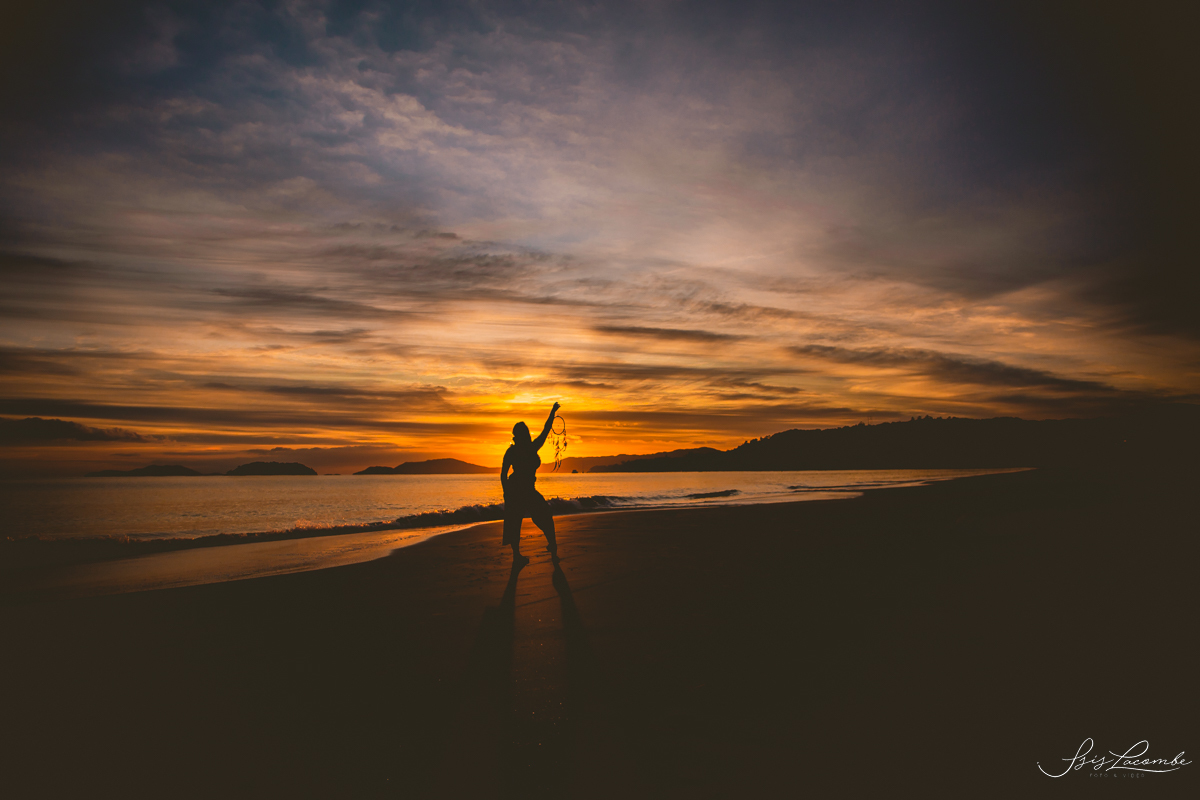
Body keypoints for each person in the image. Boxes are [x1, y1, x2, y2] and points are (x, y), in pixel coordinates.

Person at [501, 401, 560, 566]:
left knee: (540, 515)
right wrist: (506, 492)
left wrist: (552, 412)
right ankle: (519, 555)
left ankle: (551, 546)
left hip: (523, 489)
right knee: (519, 521)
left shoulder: (526, 448)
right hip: (518, 490)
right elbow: (503, 474)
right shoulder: (518, 450)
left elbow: (546, 429)